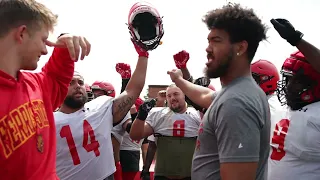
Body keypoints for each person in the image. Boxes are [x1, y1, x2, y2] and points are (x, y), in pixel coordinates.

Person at [167, 3, 270, 180]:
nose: (208, 48)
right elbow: (205, 95)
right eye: (208, 41)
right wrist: (178, 79)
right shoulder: (235, 92)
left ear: (240, 48)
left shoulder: (236, 102)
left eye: (216, 41)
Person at [0, 0, 90, 179]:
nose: (45, 50)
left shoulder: (35, 85)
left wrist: (66, 47)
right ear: (22, 33)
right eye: (43, 40)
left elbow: (56, 78)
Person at [54, 38, 150, 180]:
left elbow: (132, 91)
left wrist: (143, 55)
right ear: (60, 87)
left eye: (80, 82)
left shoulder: (100, 107)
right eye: (71, 82)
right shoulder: (47, 120)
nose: (78, 85)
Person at [130, 84, 202, 180]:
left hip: (191, 175)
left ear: (184, 95)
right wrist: (141, 115)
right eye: (169, 96)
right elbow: (135, 135)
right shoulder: (158, 115)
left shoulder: (197, 115)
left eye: (176, 94)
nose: (172, 98)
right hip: (163, 175)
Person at [267, 51, 320, 180]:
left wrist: (297, 39)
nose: (288, 86)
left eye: (295, 82)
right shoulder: (277, 107)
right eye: (287, 79)